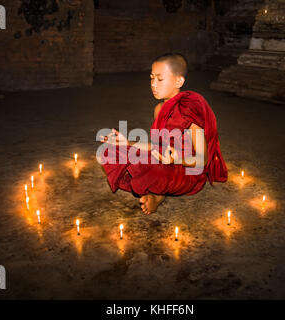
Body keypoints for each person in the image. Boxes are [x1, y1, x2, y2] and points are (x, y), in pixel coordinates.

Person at [98, 53, 228, 214]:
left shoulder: (191, 112)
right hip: (163, 159)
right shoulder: (159, 109)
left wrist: (176, 158)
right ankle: (153, 190)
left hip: (186, 169)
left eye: (160, 79)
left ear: (179, 81)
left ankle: (158, 195)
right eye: (151, 78)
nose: (153, 84)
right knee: (108, 153)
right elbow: (158, 146)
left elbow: (202, 160)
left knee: (145, 169)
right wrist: (127, 143)